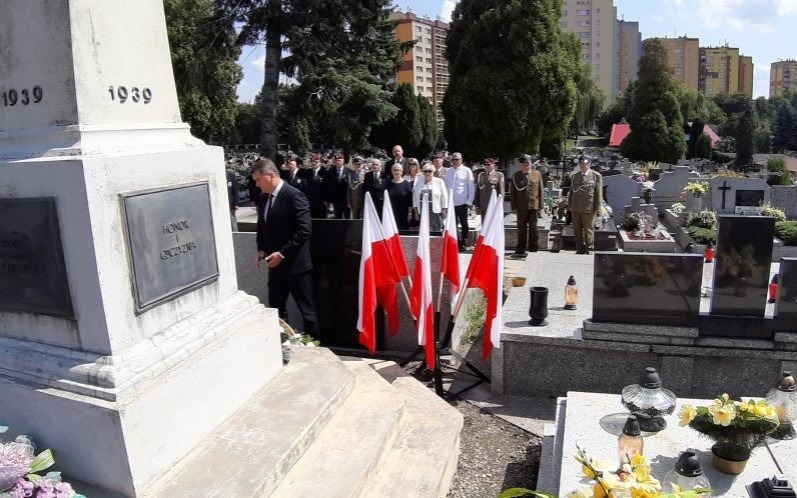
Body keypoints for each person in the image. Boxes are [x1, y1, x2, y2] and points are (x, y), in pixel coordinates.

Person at [251, 158, 317, 337]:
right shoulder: (263, 198)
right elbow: (261, 227)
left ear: (270, 176)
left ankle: (316, 349)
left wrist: (282, 254)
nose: (257, 185)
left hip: (297, 266)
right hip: (275, 266)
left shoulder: (293, 195)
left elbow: (304, 230)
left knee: (308, 313)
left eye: (258, 180)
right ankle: (283, 344)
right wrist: (261, 249)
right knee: (276, 311)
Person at [568, 155, 603, 255]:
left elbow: (598, 193)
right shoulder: (575, 176)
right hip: (575, 207)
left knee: (589, 230)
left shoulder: (596, 176)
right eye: (581, 164)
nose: (583, 166)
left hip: (589, 207)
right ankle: (579, 248)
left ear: (590, 164)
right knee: (577, 230)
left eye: (585, 164)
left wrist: (597, 207)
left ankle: (590, 248)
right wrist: (570, 206)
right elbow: (571, 192)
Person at [509, 155, 544, 255]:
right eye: (524, 164)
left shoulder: (537, 174)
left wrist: (541, 205)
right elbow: (512, 193)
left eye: (527, 164)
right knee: (521, 228)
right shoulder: (516, 176)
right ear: (520, 165)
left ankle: (533, 247)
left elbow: (540, 190)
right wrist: (514, 207)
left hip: (533, 206)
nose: (526, 166)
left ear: (531, 164)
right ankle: (521, 247)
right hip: (521, 207)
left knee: (533, 227)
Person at [444, 152, 475, 250]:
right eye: (453, 159)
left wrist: (469, 201)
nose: (455, 161)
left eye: (457, 159)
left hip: (463, 202)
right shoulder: (448, 171)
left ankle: (464, 241)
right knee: (453, 224)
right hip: (451, 203)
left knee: (464, 223)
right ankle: (456, 242)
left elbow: (470, 187)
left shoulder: (466, 170)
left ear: (461, 160)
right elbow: (445, 186)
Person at [413, 163, 448, 232]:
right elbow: (415, 198)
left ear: (433, 171)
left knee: (436, 230)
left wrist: (444, 210)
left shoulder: (439, 181)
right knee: (424, 230)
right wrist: (416, 212)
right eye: (425, 171)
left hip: (435, 211)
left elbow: (444, 196)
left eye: (429, 171)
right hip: (423, 211)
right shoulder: (419, 182)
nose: (427, 173)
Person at [474, 157, 505, 222]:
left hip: (493, 206)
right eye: (485, 165)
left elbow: (501, 193)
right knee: (484, 227)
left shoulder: (498, 175)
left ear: (493, 165)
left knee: (493, 228)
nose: (486, 166)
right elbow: (477, 192)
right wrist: (477, 206)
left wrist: (499, 206)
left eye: (488, 165)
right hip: (483, 206)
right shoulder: (481, 175)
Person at [385, 163, 413, 230]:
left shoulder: (406, 184)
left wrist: (410, 213)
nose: (396, 172)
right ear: (392, 171)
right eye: (394, 170)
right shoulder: (387, 184)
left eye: (398, 170)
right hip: (390, 213)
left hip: (404, 214)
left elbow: (410, 201)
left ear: (401, 171)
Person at [325, 152, 349, 219]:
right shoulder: (331, 171)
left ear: (343, 161)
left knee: (347, 218)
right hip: (336, 200)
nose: (337, 162)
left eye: (339, 160)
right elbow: (328, 186)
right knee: (337, 218)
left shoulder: (348, 171)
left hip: (346, 200)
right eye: (336, 160)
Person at [303, 153, 328, 218]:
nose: (314, 163)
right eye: (313, 162)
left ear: (320, 162)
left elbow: (326, 187)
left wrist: (326, 199)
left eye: (316, 162)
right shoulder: (308, 172)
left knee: (322, 220)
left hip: (321, 201)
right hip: (311, 201)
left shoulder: (324, 172)